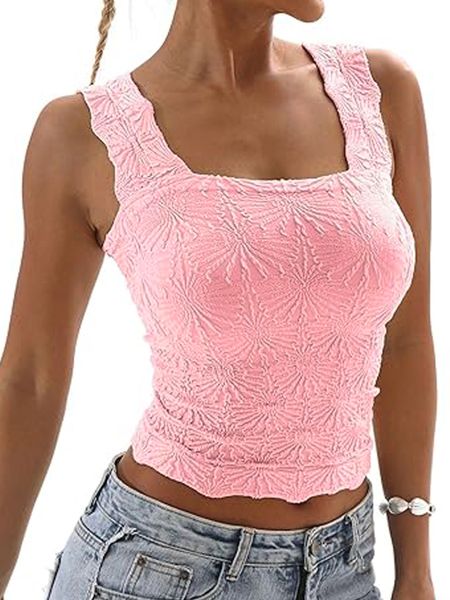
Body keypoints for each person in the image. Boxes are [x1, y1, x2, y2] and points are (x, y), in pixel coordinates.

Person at [0, 1, 436, 599]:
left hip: (344, 569)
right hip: (156, 568)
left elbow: (405, 340)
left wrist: (416, 564)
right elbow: (30, 380)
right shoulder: (82, 134)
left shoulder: (380, 92)